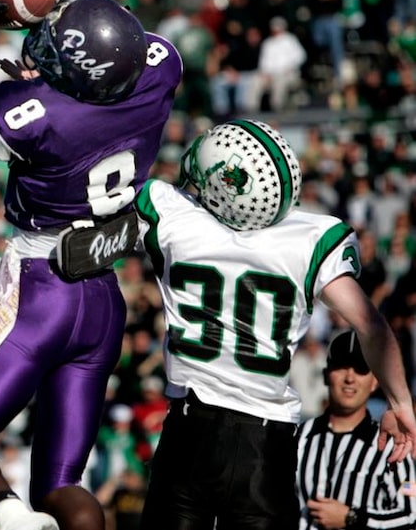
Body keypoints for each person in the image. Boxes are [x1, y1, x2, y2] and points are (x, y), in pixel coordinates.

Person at [0, 0, 182, 530]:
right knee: (64, 483)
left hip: (37, 293)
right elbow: (114, 40)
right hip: (102, 298)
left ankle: (15, 522)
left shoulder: (35, 113)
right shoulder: (158, 68)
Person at [128, 119, 416, 529]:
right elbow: (370, 325)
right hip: (265, 446)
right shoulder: (312, 236)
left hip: (189, 432)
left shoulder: (174, 215)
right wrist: (400, 402)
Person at [296, 330, 416, 530]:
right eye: (342, 366)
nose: (350, 378)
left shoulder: (392, 449)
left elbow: (411, 514)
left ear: (374, 382)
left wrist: (353, 518)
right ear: (326, 375)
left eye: (361, 369)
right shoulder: (299, 437)